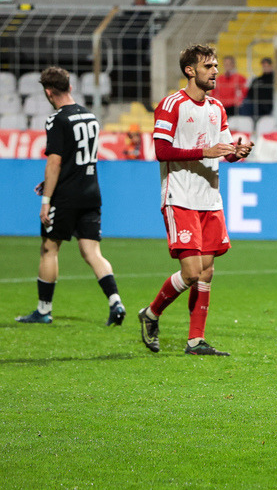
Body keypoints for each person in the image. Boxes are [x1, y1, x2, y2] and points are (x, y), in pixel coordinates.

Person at [138, 44, 253, 357]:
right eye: (208, 67)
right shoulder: (172, 104)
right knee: (190, 272)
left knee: (207, 272)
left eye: (215, 66)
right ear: (190, 70)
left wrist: (237, 153)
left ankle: (195, 341)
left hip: (210, 198)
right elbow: (161, 151)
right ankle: (151, 314)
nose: (215, 71)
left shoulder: (218, 108)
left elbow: (226, 152)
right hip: (181, 196)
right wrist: (205, 151)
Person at [16, 67, 126, 327]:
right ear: (71, 87)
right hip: (91, 192)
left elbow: (54, 162)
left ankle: (43, 310)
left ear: (48, 92)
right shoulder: (90, 117)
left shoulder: (57, 120)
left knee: (49, 247)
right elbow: (78, 159)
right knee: (91, 251)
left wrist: (46, 200)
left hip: (66, 196)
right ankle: (115, 301)